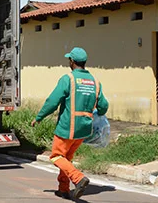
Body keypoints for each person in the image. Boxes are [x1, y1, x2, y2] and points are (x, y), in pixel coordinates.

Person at [31, 47, 109, 200]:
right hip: (84, 129)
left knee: (56, 156)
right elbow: (103, 106)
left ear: (72, 62)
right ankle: (63, 189)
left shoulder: (68, 79)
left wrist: (39, 117)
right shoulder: (95, 82)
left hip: (68, 127)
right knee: (66, 158)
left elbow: (53, 101)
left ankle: (78, 178)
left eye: (69, 60)